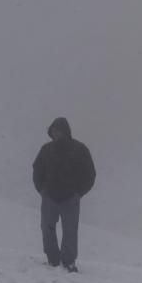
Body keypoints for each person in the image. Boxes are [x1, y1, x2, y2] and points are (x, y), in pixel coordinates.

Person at [32, 117, 96, 273]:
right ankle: (53, 259)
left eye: (58, 130)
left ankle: (69, 262)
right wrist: (42, 190)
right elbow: (37, 170)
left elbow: (90, 174)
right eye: (53, 130)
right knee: (46, 228)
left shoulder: (80, 149)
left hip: (70, 199)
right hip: (49, 198)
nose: (55, 133)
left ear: (66, 131)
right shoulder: (46, 149)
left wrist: (78, 193)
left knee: (70, 231)